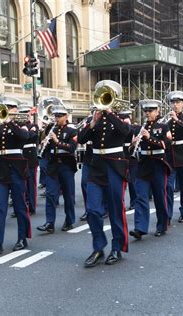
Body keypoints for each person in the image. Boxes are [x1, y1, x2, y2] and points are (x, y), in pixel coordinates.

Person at [78, 81, 131, 268]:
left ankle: (117, 247)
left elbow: (126, 133)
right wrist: (93, 122)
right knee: (93, 209)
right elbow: (82, 139)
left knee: (116, 209)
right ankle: (98, 247)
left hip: (114, 167)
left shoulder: (123, 116)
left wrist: (109, 112)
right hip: (96, 167)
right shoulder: (94, 117)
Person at [0, 96, 31, 254]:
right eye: (5, 108)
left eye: (9, 107)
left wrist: (9, 121)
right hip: (1, 169)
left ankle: (22, 238)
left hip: (17, 169)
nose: (7, 110)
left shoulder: (23, 124)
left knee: (19, 206)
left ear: (15, 109)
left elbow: (24, 137)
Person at [129, 100, 171, 239]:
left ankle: (162, 225)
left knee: (159, 197)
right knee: (141, 196)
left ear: (157, 111)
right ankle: (140, 228)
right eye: (146, 111)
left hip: (158, 164)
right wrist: (133, 143)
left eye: (151, 111)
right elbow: (131, 148)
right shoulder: (140, 127)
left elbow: (166, 144)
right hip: (143, 164)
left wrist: (149, 137)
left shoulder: (164, 127)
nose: (148, 114)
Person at [36, 105, 77, 233]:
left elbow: (71, 148)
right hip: (53, 165)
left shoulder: (72, 130)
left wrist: (57, 141)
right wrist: (44, 143)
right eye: (55, 116)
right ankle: (49, 222)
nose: (56, 118)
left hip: (66, 165)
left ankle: (69, 220)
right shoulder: (50, 129)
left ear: (66, 116)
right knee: (50, 194)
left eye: (59, 116)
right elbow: (47, 150)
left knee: (68, 195)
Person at [165, 91, 183, 223]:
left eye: (178, 102)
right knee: (168, 187)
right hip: (170, 155)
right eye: (173, 103)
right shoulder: (167, 119)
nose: (175, 105)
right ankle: (168, 214)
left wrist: (178, 120)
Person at [19, 104, 39, 216]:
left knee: (31, 184)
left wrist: (25, 129)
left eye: (27, 114)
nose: (25, 116)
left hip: (30, 157)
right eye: (22, 114)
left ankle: (31, 206)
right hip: (20, 157)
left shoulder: (33, 125)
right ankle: (22, 205)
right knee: (21, 184)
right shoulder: (17, 126)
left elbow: (31, 136)